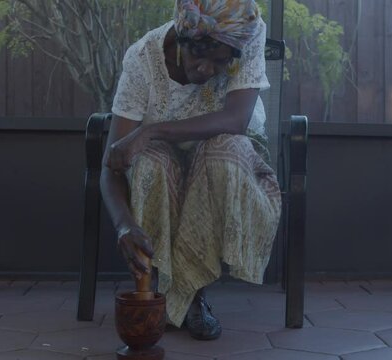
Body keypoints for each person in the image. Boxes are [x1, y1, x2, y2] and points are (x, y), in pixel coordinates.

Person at [101, 0, 281, 340]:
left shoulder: (245, 33)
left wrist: (151, 130)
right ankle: (167, 289)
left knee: (223, 151)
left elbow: (236, 120)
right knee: (150, 162)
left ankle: (192, 295)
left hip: (228, 157)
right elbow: (112, 165)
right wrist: (124, 226)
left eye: (220, 61)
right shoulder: (142, 60)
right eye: (200, 56)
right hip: (166, 159)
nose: (208, 70)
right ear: (181, 41)